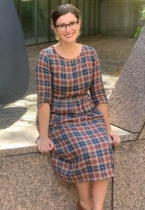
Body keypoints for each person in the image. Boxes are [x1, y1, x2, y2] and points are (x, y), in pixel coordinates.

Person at [35, 4, 121, 210]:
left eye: (72, 23)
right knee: (84, 149)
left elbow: (99, 94)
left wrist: (107, 129)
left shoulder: (90, 54)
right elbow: (44, 100)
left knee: (102, 146)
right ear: (54, 29)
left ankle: (97, 208)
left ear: (79, 24)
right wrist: (44, 135)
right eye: (61, 25)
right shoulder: (46, 57)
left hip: (87, 113)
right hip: (59, 116)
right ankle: (84, 202)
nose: (68, 29)